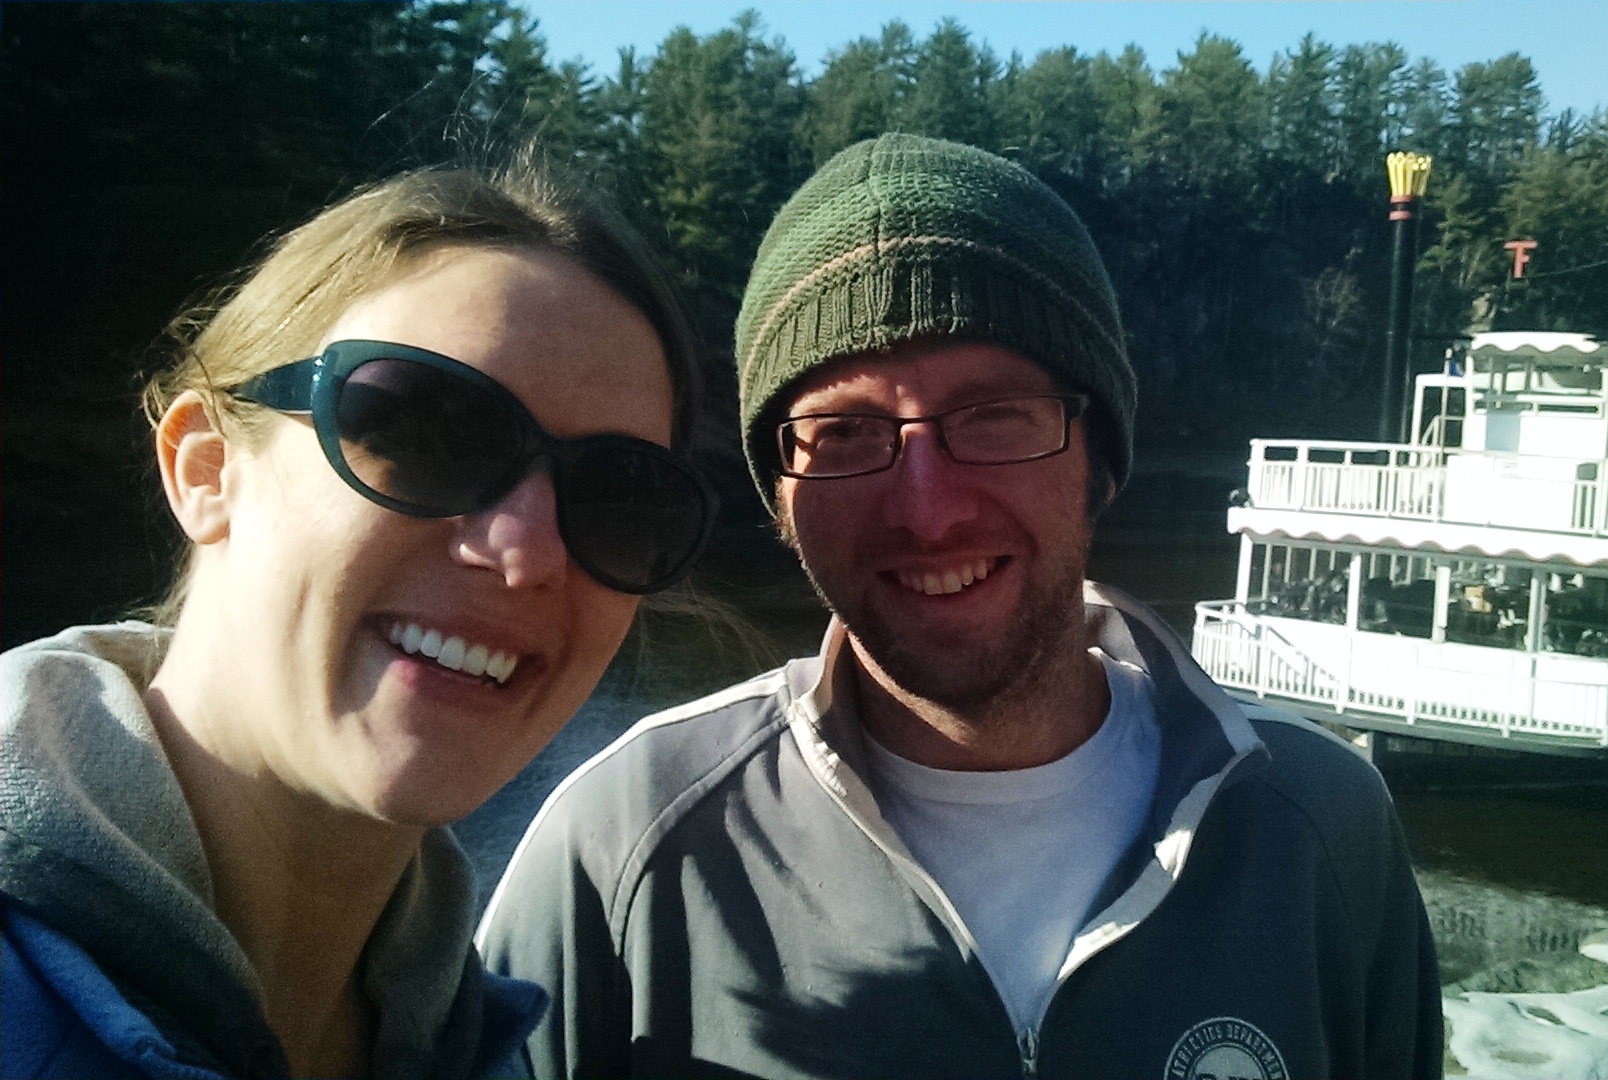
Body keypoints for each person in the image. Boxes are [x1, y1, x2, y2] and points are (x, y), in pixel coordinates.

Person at [481, 133, 1442, 1080]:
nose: (928, 512)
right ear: (779, 498)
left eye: (994, 418)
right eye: (845, 433)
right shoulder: (622, 849)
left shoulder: (1319, 824)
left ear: (1101, 459)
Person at [0, 164, 716, 1080]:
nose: (525, 552)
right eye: (420, 432)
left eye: (623, 494)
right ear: (206, 470)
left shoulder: (483, 1041)